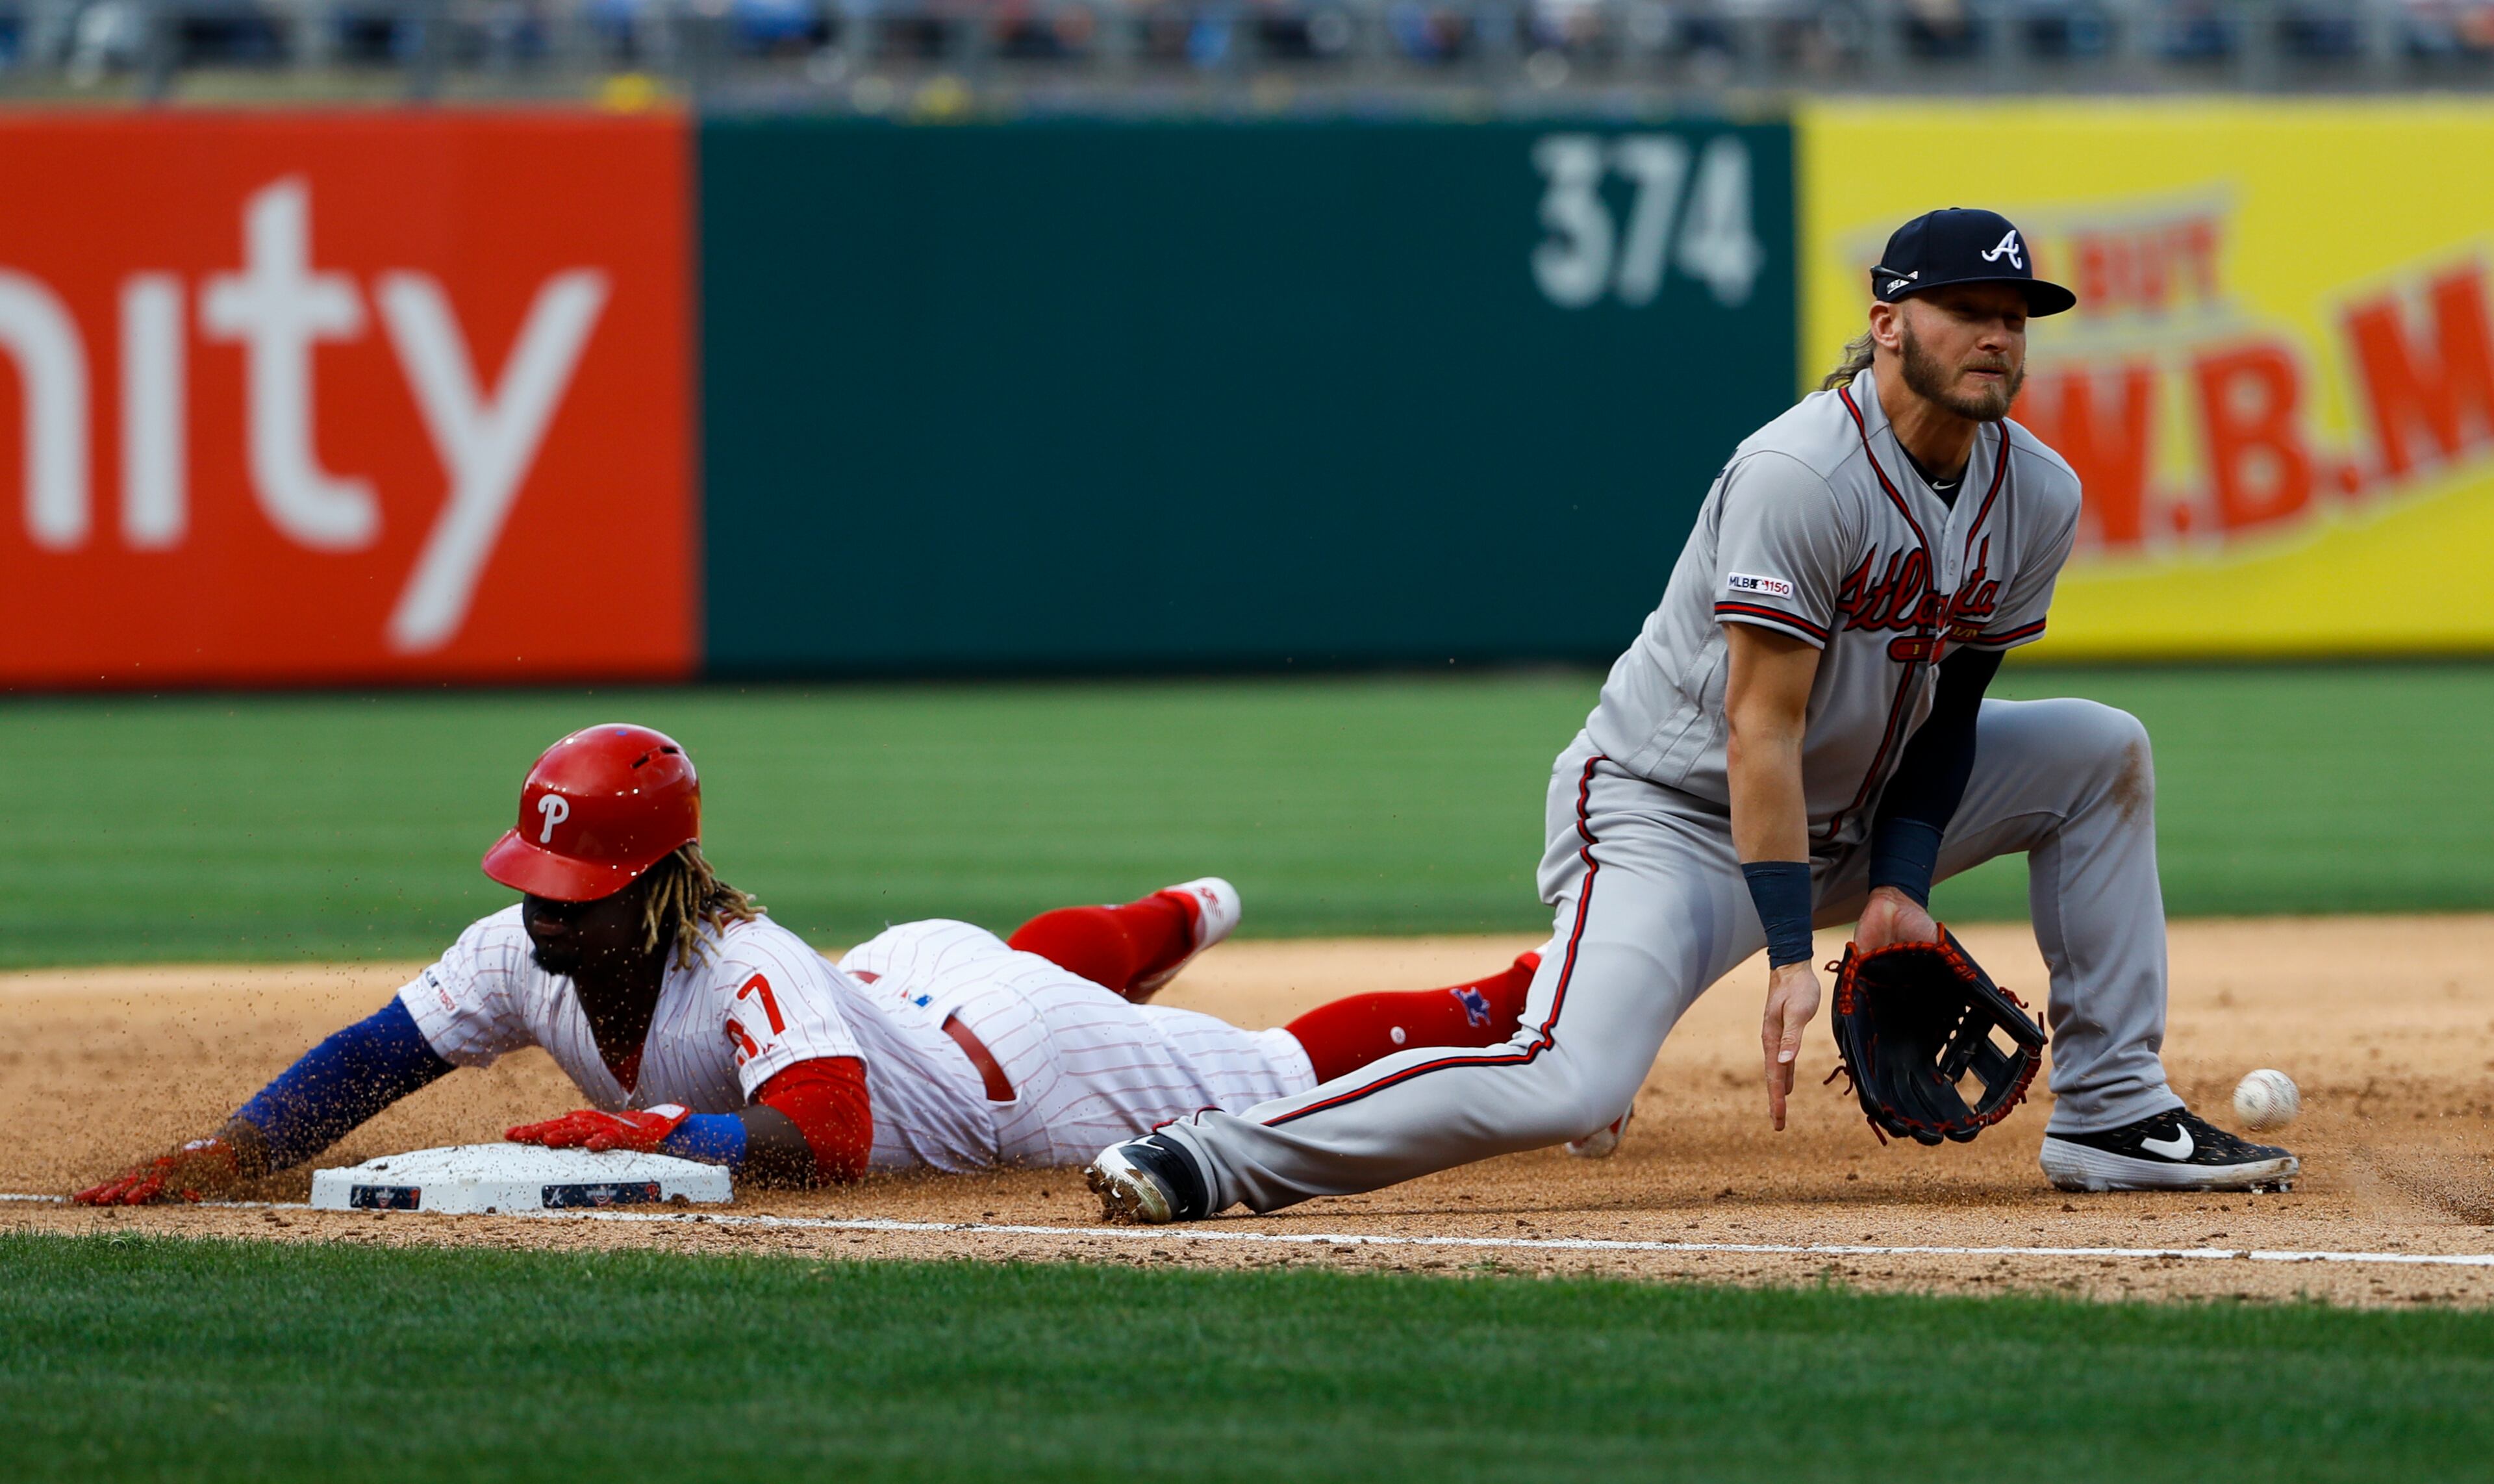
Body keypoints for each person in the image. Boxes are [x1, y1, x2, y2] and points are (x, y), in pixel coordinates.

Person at [1086, 207, 2299, 1224]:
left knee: (2101, 750)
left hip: (1857, 808)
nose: (1997, 334)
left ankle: (2112, 1111)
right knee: (1566, 1080)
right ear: (1887, 326)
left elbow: (1955, 707)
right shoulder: (1800, 475)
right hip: (1673, 815)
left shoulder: (2037, 492)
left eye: (2015, 316)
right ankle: (1215, 1151)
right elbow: (1756, 727)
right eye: (1966, 309)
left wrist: (1904, 883)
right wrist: (1784, 951)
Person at [74, 724, 1541, 1205]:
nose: (540, 914)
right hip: (911, 983)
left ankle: (1540, 987)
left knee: (1283, 1068)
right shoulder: (519, 952)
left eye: (573, 889)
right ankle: (1170, 913)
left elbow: (828, 1141)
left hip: (1018, 1076)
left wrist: (655, 1136)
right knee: (1031, 954)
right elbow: (374, 1058)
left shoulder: (741, 962)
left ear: (651, 886)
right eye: (534, 878)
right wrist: (233, 1149)